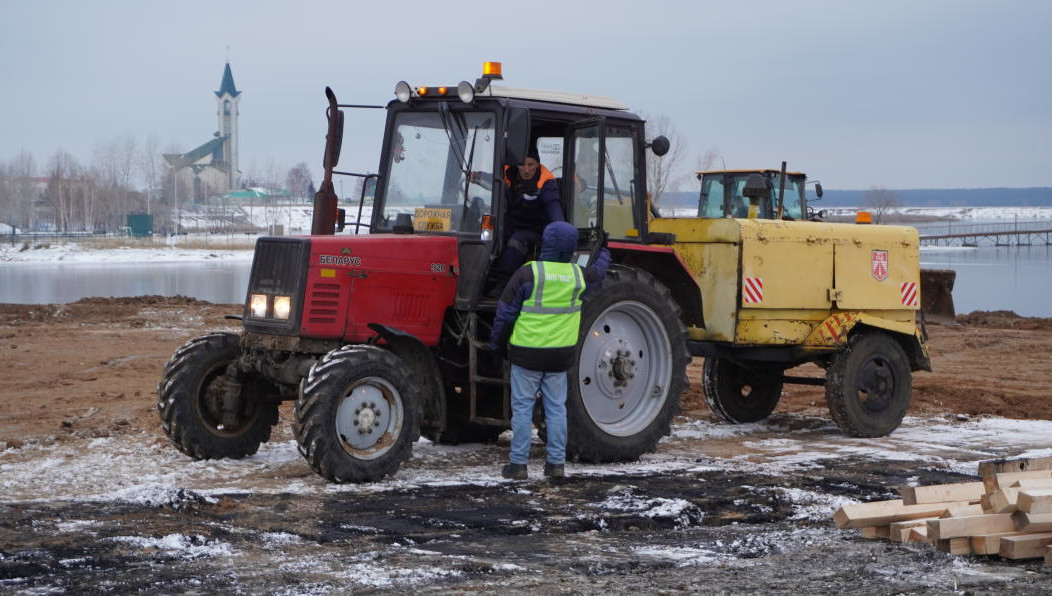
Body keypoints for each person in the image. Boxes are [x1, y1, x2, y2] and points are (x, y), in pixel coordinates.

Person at [489, 221, 611, 480]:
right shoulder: (578, 276)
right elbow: (599, 273)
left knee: (522, 409)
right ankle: (556, 464)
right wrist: (603, 249)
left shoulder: (528, 273)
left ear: (545, 244)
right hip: (559, 357)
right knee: (556, 409)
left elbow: (505, 314)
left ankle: (518, 465)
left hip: (526, 354)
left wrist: (497, 345)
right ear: (571, 248)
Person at [474, 147, 565, 296]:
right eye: (522, 165)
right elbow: (493, 179)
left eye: (531, 165)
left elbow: (553, 207)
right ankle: (480, 277)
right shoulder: (507, 174)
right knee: (488, 231)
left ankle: (504, 282)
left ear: (537, 165)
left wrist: (561, 228)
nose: (526, 170)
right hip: (513, 223)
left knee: (517, 240)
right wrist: (476, 176)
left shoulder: (546, 183)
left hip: (535, 229)